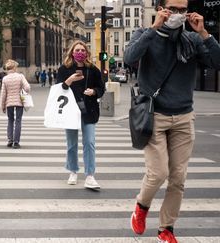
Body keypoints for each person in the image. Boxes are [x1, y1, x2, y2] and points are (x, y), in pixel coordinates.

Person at [124, 0, 220, 242]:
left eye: (182, 9)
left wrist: (205, 33)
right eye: (173, 9)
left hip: (184, 116)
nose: (178, 14)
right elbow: (129, 57)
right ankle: (141, 207)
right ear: (161, 9)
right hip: (153, 115)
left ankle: (166, 228)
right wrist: (153, 29)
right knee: (158, 173)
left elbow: (217, 62)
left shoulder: (193, 40)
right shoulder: (146, 34)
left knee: (178, 179)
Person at [56, 40, 105, 190]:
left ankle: (90, 175)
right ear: (72, 52)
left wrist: (94, 91)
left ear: (87, 53)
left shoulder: (93, 69)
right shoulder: (65, 69)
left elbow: (101, 87)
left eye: (83, 50)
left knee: (89, 142)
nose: (80, 53)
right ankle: (73, 171)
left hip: (88, 110)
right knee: (71, 144)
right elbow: (58, 88)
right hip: (70, 111)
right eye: (77, 50)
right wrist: (69, 80)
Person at [0, 59, 30, 149]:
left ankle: (10, 140)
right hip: (19, 102)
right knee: (18, 121)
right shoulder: (20, 76)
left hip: (9, 103)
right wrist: (23, 91)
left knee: (10, 120)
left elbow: (3, 94)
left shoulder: (5, 79)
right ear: (14, 68)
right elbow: (27, 87)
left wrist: (3, 106)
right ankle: (16, 142)